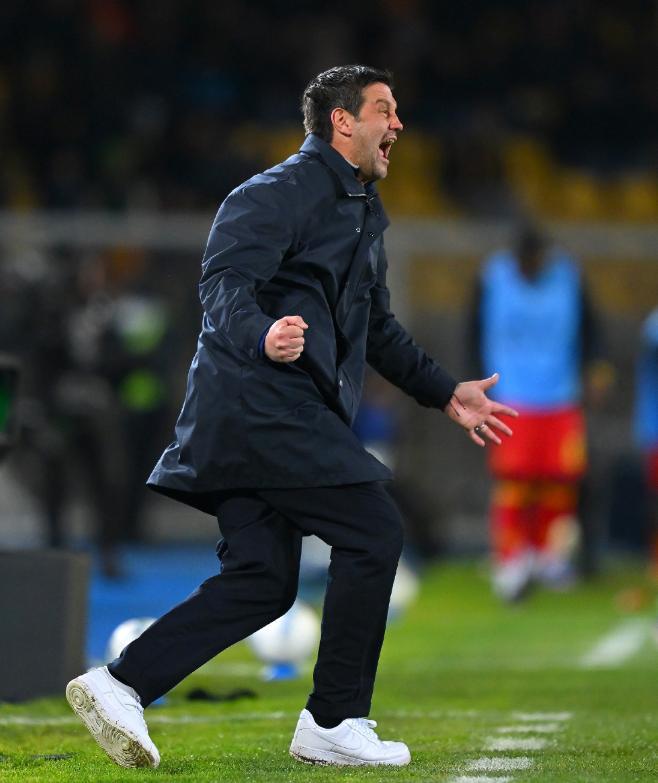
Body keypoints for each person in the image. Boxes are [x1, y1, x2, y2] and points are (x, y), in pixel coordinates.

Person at [65, 64, 516, 769]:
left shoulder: (361, 208)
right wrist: (263, 334)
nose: (398, 125)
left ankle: (121, 683)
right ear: (342, 121)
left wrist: (444, 391)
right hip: (259, 406)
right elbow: (222, 284)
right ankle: (334, 718)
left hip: (270, 414)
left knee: (264, 581)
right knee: (374, 528)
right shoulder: (274, 192)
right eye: (384, 110)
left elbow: (378, 328)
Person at [468, 224, 610, 601]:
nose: (531, 267)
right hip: (510, 396)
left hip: (561, 396)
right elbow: (473, 332)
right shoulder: (492, 278)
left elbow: (591, 327)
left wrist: (596, 369)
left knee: (559, 481)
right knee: (514, 482)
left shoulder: (568, 276)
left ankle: (550, 558)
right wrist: (474, 386)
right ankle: (512, 559)